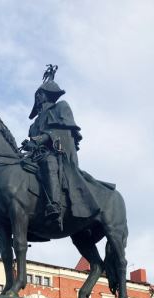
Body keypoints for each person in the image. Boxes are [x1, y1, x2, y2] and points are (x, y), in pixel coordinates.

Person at [23, 65, 109, 226]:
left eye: (41, 94)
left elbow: (64, 132)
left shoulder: (61, 107)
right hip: (37, 156)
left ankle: (54, 206)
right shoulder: (34, 124)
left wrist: (42, 139)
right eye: (37, 95)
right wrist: (30, 146)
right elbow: (34, 141)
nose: (38, 97)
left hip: (58, 154)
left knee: (49, 163)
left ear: (48, 95)